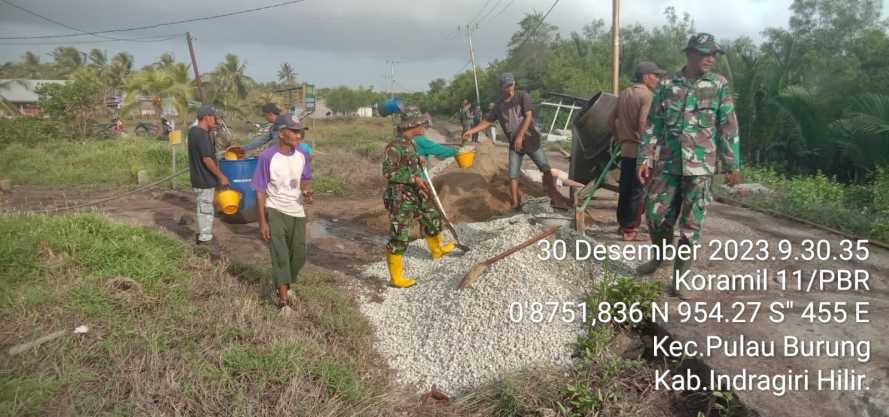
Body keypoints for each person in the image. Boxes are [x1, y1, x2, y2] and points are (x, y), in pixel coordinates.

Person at [636, 33, 742, 296]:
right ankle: (659, 256)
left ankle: (680, 278)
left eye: (714, 54)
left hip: (702, 168)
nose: (711, 59)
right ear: (691, 54)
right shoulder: (667, 84)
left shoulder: (718, 84)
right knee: (655, 214)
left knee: (691, 225)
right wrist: (645, 156)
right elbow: (654, 124)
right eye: (706, 53)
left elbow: (728, 125)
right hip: (668, 164)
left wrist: (732, 164)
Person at [461, 72, 570, 210]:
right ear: (502, 87)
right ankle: (515, 202)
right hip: (515, 145)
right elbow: (487, 121)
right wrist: (471, 131)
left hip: (531, 140)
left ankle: (554, 195)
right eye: (507, 85)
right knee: (513, 174)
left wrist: (520, 136)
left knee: (545, 168)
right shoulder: (499, 105)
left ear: (514, 83)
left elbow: (528, 116)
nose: (510, 88)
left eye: (511, 84)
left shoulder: (522, 96)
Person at [383, 107, 455, 288]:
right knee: (400, 234)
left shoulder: (412, 143)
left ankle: (437, 250)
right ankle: (396, 278)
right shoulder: (394, 146)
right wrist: (412, 178)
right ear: (412, 124)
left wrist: (419, 162)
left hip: (417, 192)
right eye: (422, 123)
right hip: (400, 196)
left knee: (431, 216)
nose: (424, 125)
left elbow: (409, 163)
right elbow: (388, 173)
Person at [252, 114, 313, 310]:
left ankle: (284, 283)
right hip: (275, 209)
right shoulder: (267, 157)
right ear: (281, 133)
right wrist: (262, 222)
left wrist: (306, 191)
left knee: (300, 254)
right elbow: (260, 191)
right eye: (294, 131)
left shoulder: (302, 154)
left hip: (296, 210)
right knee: (280, 254)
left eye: (300, 131)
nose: (298, 134)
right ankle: (283, 301)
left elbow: (305, 179)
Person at [608, 61, 667, 242]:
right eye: (656, 76)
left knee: (625, 188)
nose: (658, 80)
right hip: (641, 150)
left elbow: (611, 119)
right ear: (646, 76)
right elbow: (643, 122)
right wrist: (647, 146)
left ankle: (623, 224)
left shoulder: (625, 93)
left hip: (626, 148)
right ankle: (630, 229)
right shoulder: (648, 96)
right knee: (638, 190)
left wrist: (619, 138)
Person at [187, 106, 230, 246]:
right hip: (204, 179)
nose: (215, 120)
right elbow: (207, 159)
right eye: (213, 117)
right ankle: (205, 239)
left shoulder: (193, 132)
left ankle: (203, 235)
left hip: (198, 177)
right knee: (205, 209)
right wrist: (221, 176)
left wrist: (211, 130)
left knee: (203, 207)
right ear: (206, 117)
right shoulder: (202, 135)